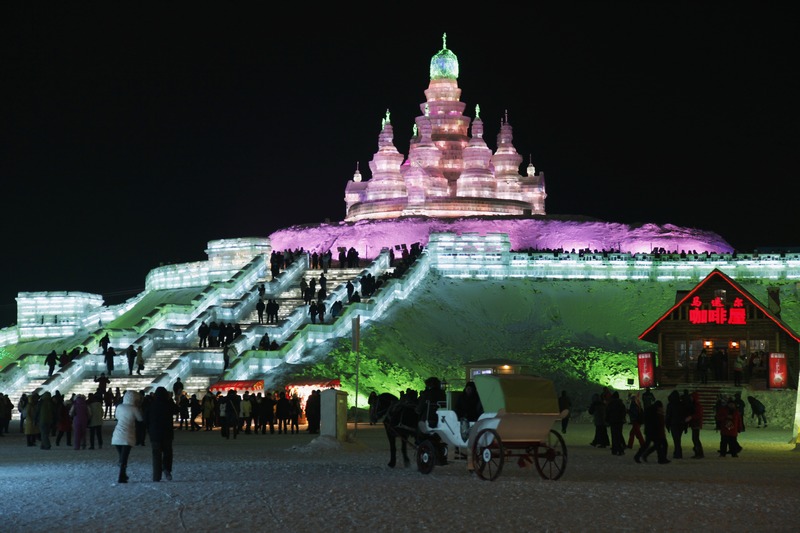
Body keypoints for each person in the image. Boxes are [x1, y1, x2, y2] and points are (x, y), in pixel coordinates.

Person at [111, 390, 144, 483]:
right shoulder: (134, 409)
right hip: (127, 435)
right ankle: (121, 476)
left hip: (117, 434)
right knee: (124, 457)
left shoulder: (119, 406)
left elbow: (117, 416)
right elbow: (140, 419)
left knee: (122, 456)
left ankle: (123, 474)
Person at [145, 386, 177, 481]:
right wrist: (170, 400)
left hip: (155, 433)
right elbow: (176, 410)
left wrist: (149, 429)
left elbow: (145, 418)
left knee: (156, 454)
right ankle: (167, 469)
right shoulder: (168, 404)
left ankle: (156, 476)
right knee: (167, 452)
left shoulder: (151, 405)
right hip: (167, 432)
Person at [634, 399, 669, 464]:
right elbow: (656, 423)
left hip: (649, 431)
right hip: (653, 431)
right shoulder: (654, 412)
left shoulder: (651, 410)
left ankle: (638, 456)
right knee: (656, 445)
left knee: (650, 445)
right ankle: (661, 459)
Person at [665, 390, 686, 459]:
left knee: (676, 440)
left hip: (674, 424)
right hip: (681, 424)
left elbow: (668, 415)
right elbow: (684, 415)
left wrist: (667, 425)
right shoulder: (681, 404)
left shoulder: (670, 405)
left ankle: (678, 453)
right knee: (678, 439)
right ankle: (677, 452)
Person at [606, 391, 627, 456]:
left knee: (614, 436)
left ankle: (615, 449)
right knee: (619, 435)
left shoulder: (611, 403)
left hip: (613, 421)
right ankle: (620, 449)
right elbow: (624, 412)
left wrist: (607, 420)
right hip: (619, 421)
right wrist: (622, 418)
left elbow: (607, 412)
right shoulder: (621, 404)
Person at [687, 391, 704, 458]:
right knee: (695, 439)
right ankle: (698, 452)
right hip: (695, 423)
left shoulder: (697, 405)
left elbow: (698, 414)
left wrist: (691, 417)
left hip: (696, 423)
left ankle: (699, 453)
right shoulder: (694, 405)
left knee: (695, 439)